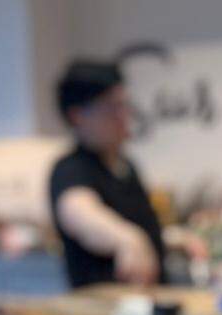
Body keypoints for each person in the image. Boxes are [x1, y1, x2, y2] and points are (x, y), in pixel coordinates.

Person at [49, 60, 164, 288]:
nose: (123, 116)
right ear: (77, 115)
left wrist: (172, 240)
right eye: (111, 107)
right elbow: (79, 211)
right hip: (104, 305)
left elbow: (140, 223)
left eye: (124, 105)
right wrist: (126, 239)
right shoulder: (71, 168)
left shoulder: (126, 167)